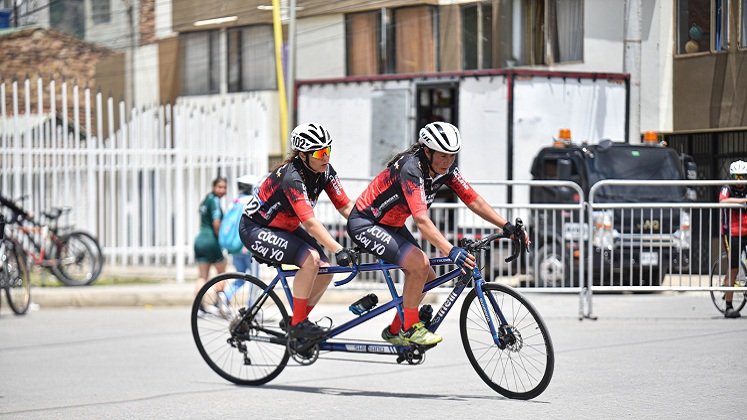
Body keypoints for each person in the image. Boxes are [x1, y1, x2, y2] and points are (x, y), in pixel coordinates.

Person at [347, 121, 526, 346]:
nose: (447, 162)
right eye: (442, 156)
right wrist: (450, 250)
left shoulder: (446, 169)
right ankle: (410, 328)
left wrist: (506, 226)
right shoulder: (411, 168)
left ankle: (395, 330)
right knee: (419, 265)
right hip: (366, 223)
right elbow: (421, 220)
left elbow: (473, 199)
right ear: (427, 151)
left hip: (391, 224)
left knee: (428, 277)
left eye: (452, 156)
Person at [239, 123, 355, 338]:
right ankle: (299, 324)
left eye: (328, 150)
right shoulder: (292, 177)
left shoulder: (325, 171)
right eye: (320, 153)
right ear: (303, 155)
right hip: (256, 228)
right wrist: (339, 248)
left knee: (325, 270)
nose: (325, 157)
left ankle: (295, 320)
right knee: (311, 259)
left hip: (285, 228)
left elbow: (346, 207)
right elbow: (310, 223)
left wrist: (369, 226)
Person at [718, 160, 747, 318]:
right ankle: (728, 306)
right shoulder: (727, 188)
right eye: (737, 176)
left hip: (746, 231)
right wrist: (743, 201)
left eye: (743, 177)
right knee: (733, 268)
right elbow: (723, 201)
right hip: (732, 233)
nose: (740, 180)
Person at [194, 177, 228, 298]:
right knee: (222, 273)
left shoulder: (206, 200)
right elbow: (216, 222)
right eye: (219, 187)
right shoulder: (214, 201)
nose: (222, 190)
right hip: (211, 241)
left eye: (224, 187)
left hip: (200, 241)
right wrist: (221, 239)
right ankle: (219, 303)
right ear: (214, 187)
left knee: (202, 276)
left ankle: (199, 307)